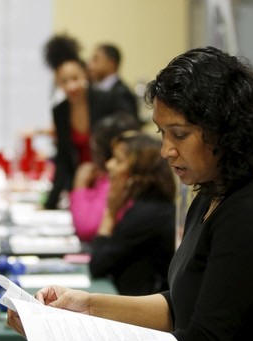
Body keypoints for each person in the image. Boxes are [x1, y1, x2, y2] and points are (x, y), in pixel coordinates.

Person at [8, 47, 253, 341]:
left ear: (225, 129)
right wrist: (87, 306)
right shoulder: (217, 188)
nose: (165, 150)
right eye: (162, 133)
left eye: (179, 134)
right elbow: (181, 306)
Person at [42, 34, 128, 209]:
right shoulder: (60, 111)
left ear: (85, 75)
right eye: (64, 81)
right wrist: (50, 204)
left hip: (109, 182)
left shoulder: (105, 101)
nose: (71, 86)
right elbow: (63, 158)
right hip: (79, 185)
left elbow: (123, 143)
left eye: (75, 78)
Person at [89, 132, 175, 295]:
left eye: (118, 160)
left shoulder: (148, 214)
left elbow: (98, 265)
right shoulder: (151, 206)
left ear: (138, 171)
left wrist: (110, 212)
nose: (109, 165)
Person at [70, 112, 140, 241]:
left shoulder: (120, 180)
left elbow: (86, 229)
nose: (109, 165)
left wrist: (80, 186)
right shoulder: (102, 178)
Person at [87, 43, 139, 119]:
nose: (89, 65)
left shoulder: (122, 94)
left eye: (95, 59)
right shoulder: (91, 88)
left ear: (111, 63)